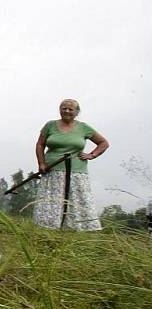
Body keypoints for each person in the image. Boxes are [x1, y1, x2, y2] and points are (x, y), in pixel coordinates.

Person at [32, 98, 109, 231]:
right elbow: (40, 145)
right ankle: (47, 229)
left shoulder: (83, 127)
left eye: (70, 109)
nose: (67, 111)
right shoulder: (50, 125)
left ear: (77, 112)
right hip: (52, 170)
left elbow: (103, 143)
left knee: (77, 201)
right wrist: (41, 163)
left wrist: (92, 155)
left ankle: (78, 230)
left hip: (77, 172)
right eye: (64, 108)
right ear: (60, 110)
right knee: (51, 201)